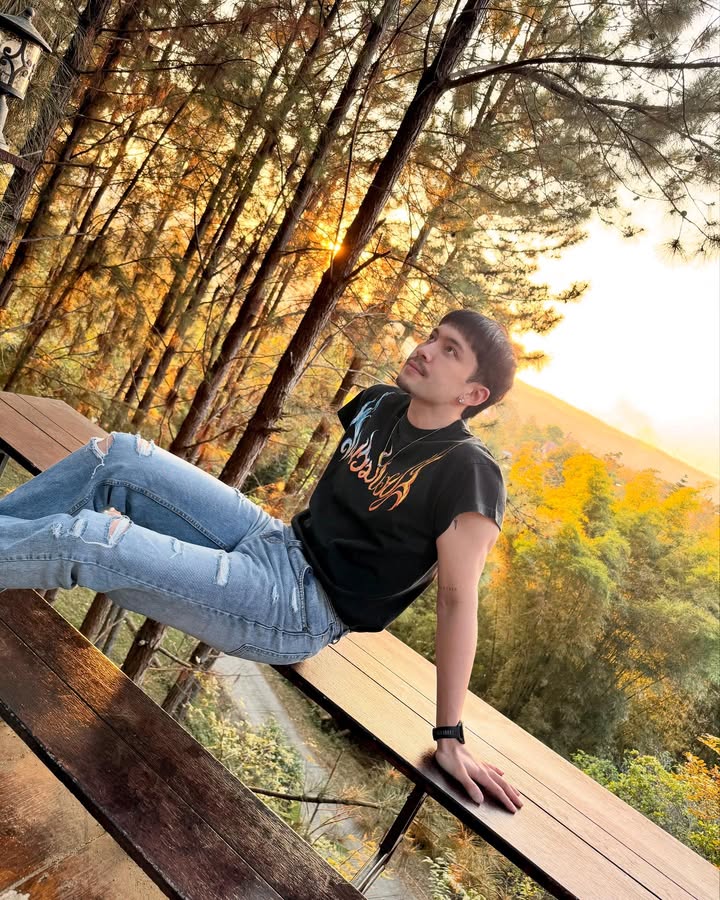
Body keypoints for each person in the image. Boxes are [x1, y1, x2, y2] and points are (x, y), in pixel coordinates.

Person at [0, 309, 523, 814]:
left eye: (449, 351)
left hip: (298, 608)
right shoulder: (378, 404)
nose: (426, 349)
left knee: (91, 541)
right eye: (432, 336)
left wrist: (450, 735)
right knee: (120, 457)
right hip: (274, 540)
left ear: (473, 394)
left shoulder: (470, 472)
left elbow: (457, 602)